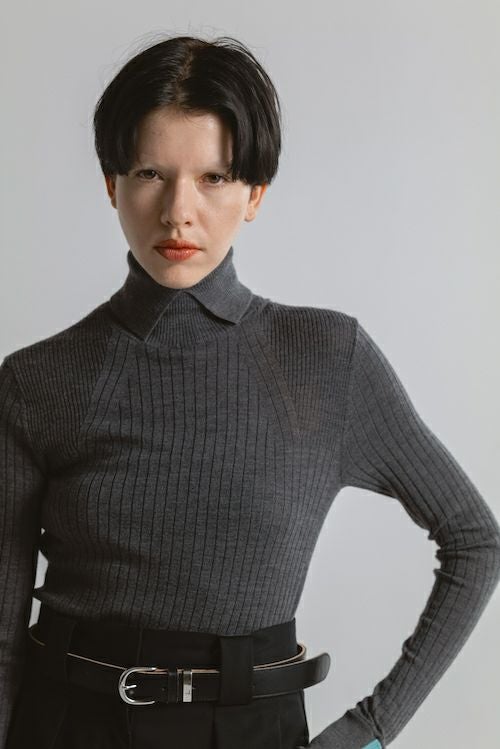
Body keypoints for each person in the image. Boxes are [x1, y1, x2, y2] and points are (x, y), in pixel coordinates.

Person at [1, 33, 499, 749]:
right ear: (112, 184)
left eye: (214, 177)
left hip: (253, 728)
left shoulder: (327, 360)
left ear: (255, 192)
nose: (178, 211)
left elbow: (475, 540)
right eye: (150, 172)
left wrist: (369, 731)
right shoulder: (37, 380)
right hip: (66, 726)